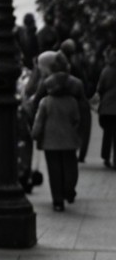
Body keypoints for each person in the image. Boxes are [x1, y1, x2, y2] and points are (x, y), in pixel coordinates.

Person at [33, 54, 87, 212]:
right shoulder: (75, 87)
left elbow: (38, 108)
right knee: (70, 166)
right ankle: (69, 190)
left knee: (54, 169)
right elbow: (80, 114)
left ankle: (57, 200)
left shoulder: (46, 93)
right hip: (70, 137)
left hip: (50, 139)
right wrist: (79, 131)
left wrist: (36, 134)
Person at [98, 48, 116, 169]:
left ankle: (106, 157)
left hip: (107, 108)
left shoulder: (106, 71)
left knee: (107, 134)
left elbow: (100, 88)